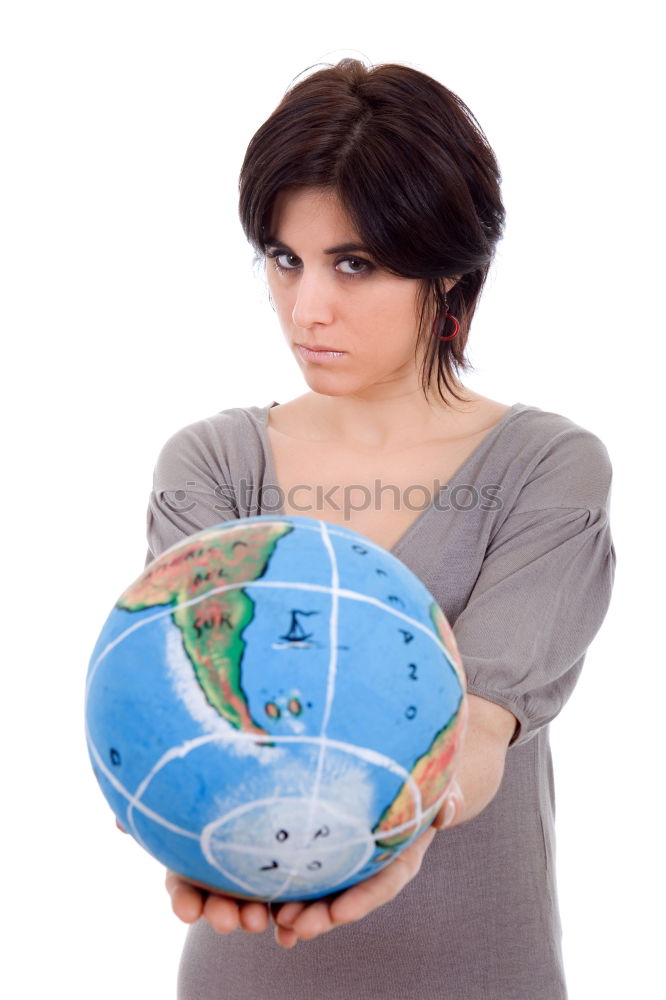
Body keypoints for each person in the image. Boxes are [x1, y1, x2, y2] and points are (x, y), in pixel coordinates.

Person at [136, 59, 616, 999]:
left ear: (450, 271)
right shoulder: (212, 466)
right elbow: (179, 705)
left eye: (353, 264)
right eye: (285, 258)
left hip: (478, 973)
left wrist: (404, 830)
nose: (306, 307)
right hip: (248, 971)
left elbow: (478, 726)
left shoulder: (547, 468)